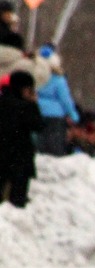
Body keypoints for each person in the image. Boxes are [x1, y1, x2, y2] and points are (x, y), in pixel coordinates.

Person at [0, 71, 44, 207]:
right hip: (18, 159)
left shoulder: (2, 101)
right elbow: (38, 125)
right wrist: (34, 104)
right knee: (16, 202)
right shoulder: (25, 107)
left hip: (2, 156)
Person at [36, 50, 79, 156]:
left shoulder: (34, 76)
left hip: (36, 112)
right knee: (54, 146)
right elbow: (65, 99)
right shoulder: (58, 79)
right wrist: (73, 115)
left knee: (39, 143)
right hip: (55, 117)